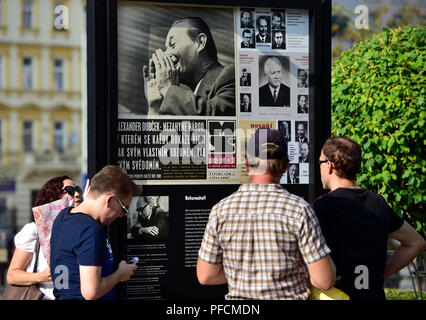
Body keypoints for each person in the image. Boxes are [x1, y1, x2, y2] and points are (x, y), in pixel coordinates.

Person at [197, 128, 335, 299]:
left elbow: (206, 275)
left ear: (246, 164)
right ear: (285, 166)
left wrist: (244, 275)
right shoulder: (299, 210)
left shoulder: (221, 210)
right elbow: (324, 280)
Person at [313, 137, 426, 300]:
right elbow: (416, 242)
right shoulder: (378, 203)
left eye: (320, 162)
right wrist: (381, 272)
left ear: (329, 165)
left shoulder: (323, 206)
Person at [50, 165, 142, 300]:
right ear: (109, 200)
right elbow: (91, 292)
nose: (122, 215)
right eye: (124, 208)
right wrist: (120, 275)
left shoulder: (63, 216)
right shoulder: (90, 231)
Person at [7, 175, 82, 300]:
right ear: (53, 197)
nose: (77, 194)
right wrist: (41, 276)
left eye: (78, 189)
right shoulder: (34, 230)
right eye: (70, 191)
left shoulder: (79, 229)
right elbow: (12, 275)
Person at [144, 17, 235, 116]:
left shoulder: (231, 75)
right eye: (166, 48)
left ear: (200, 42)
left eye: (172, 44)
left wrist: (167, 88)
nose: (166, 53)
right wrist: (155, 107)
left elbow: (214, 120)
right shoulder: (184, 98)